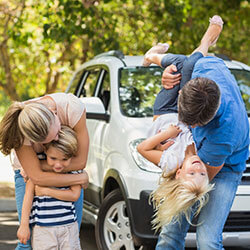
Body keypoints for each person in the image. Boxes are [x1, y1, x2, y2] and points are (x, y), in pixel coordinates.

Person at [153, 24, 249, 250]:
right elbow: (184, 60)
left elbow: (199, 172)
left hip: (222, 169)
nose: (188, 125)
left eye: (193, 124)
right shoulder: (204, 68)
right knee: (170, 232)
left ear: (208, 119)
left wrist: (172, 155)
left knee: (207, 241)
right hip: (194, 157)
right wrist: (166, 77)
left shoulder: (224, 133)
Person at [137, 15, 223, 230]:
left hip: (165, 110)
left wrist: (165, 136)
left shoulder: (170, 162)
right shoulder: (203, 152)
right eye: (202, 174)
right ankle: (204, 43)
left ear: (178, 174)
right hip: (186, 110)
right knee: (186, 64)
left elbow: (142, 147)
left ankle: (151, 55)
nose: (197, 169)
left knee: (177, 67)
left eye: (191, 174)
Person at [0, 92, 89, 249]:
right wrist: (79, 179)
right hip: (28, 177)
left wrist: (36, 166)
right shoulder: (22, 128)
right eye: (46, 142)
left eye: (55, 135)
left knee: (72, 235)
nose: (56, 139)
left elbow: (80, 162)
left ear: (54, 113)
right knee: (26, 242)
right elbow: (37, 178)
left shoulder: (72, 108)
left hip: (66, 171)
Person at [17, 126, 82, 249]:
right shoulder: (37, 170)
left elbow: (74, 195)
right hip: (43, 229)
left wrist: (47, 191)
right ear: (45, 151)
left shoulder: (72, 171)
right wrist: (24, 225)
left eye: (65, 159)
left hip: (68, 227)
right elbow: (28, 197)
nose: (58, 164)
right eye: (53, 158)